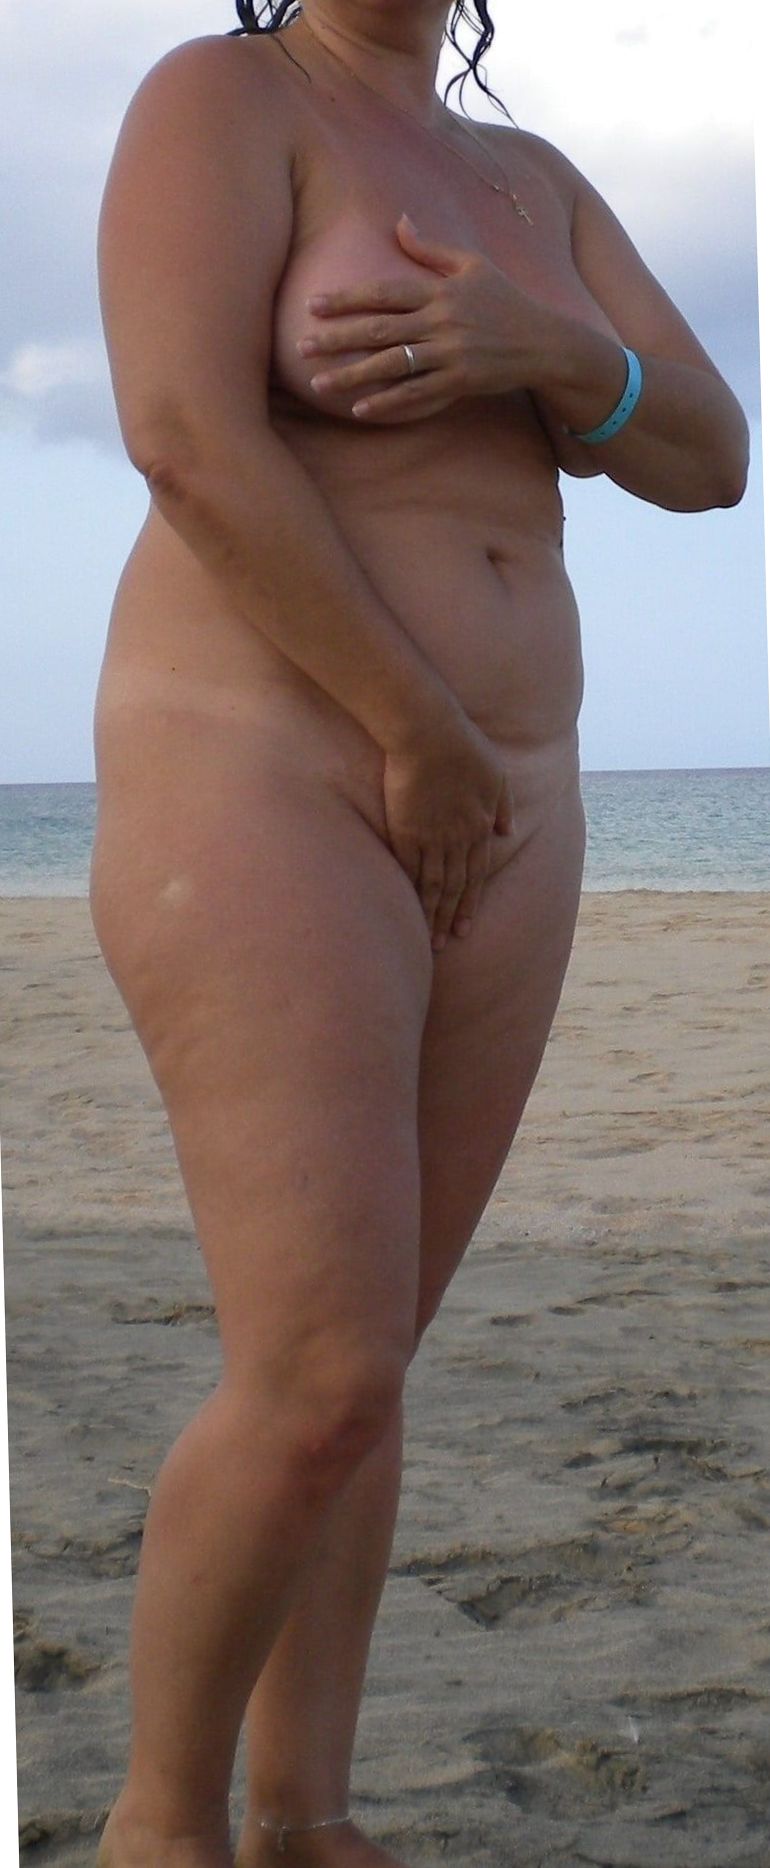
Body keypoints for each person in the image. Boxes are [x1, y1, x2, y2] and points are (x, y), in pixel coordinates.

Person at [89, 1, 748, 1863]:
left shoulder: (532, 181)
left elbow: (708, 451)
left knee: (369, 1365)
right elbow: (182, 438)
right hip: (278, 764)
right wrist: (410, 723)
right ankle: (160, 1828)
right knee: (315, 1372)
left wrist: (555, 351)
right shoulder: (225, 98)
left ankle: (303, 1817)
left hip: (509, 793)